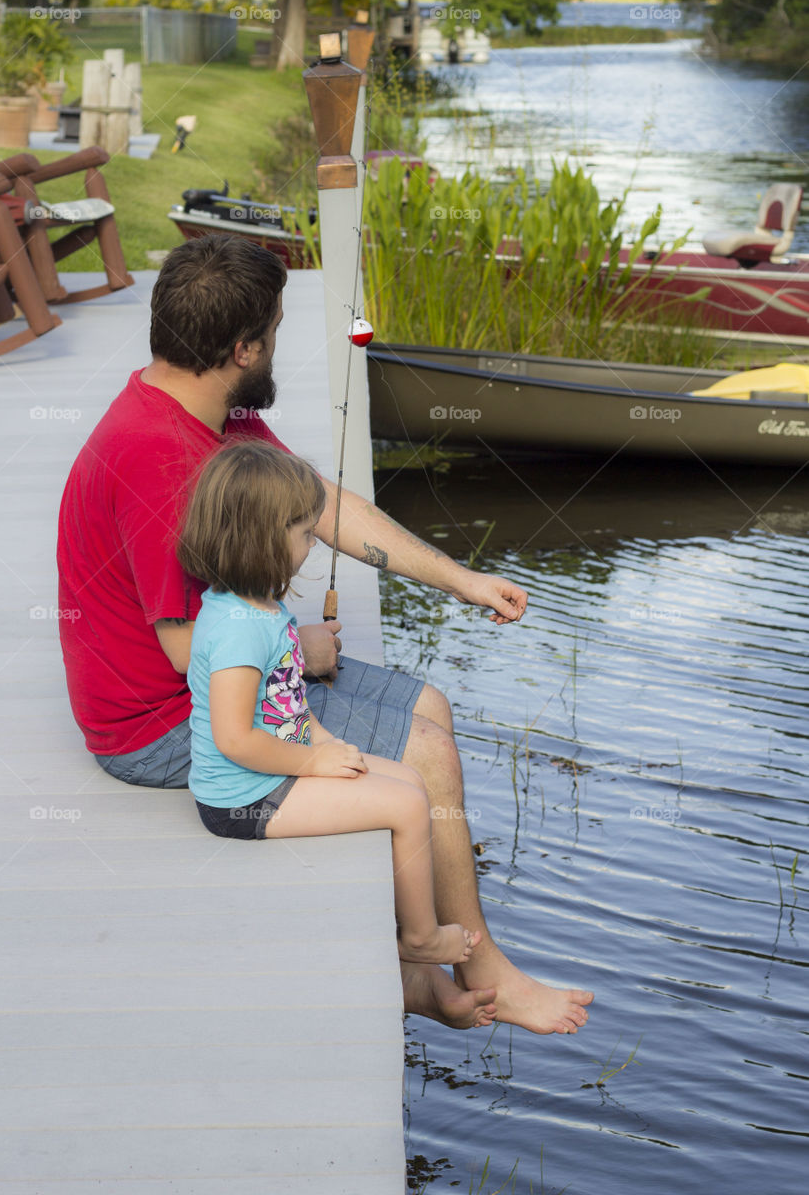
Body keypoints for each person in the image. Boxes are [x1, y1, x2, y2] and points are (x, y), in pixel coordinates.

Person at [57, 232, 593, 1035]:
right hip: (158, 723)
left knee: (430, 705)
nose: (279, 345)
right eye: (275, 329)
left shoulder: (213, 410)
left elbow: (320, 502)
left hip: (228, 662)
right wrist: (297, 648)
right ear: (243, 347)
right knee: (426, 753)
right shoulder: (160, 458)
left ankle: (420, 972)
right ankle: (478, 969)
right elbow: (181, 650)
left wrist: (461, 578)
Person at [180, 439, 480, 968]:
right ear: (266, 541)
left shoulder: (262, 608)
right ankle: (420, 937)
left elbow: (287, 701)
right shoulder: (236, 632)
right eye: (303, 534)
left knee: (411, 781)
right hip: (243, 799)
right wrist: (314, 762)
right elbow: (235, 738)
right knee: (407, 804)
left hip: (278, 772)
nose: (311, 546)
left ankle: (406, 910)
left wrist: (323, 741)